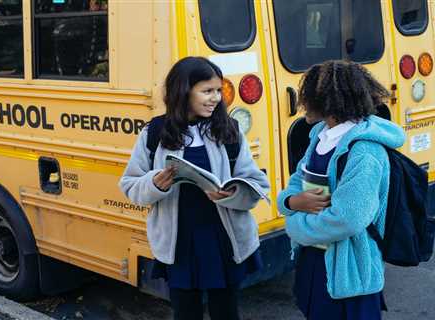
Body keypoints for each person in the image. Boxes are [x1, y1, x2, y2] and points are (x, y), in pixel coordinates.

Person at [119, 56, 269, 320]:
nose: (215, 98)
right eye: (207, 91)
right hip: (179, 243)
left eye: (218, 91)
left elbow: (256, 183)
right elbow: (130, 185)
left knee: (226, 312)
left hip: (225, 239)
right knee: (185, 313)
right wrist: (154, 183)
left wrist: (233, 194)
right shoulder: (155, 132)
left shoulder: (229, 130)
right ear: (183, 91)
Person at [277, 60, 406, 320]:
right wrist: (291, 201)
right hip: (315, 261)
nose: (302, 103)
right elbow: (295, 182)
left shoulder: (365, 151)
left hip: (350, 273)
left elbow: (348, 219)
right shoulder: (320, 136)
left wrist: (294, 226)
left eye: (308, 96)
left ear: (328, 101)